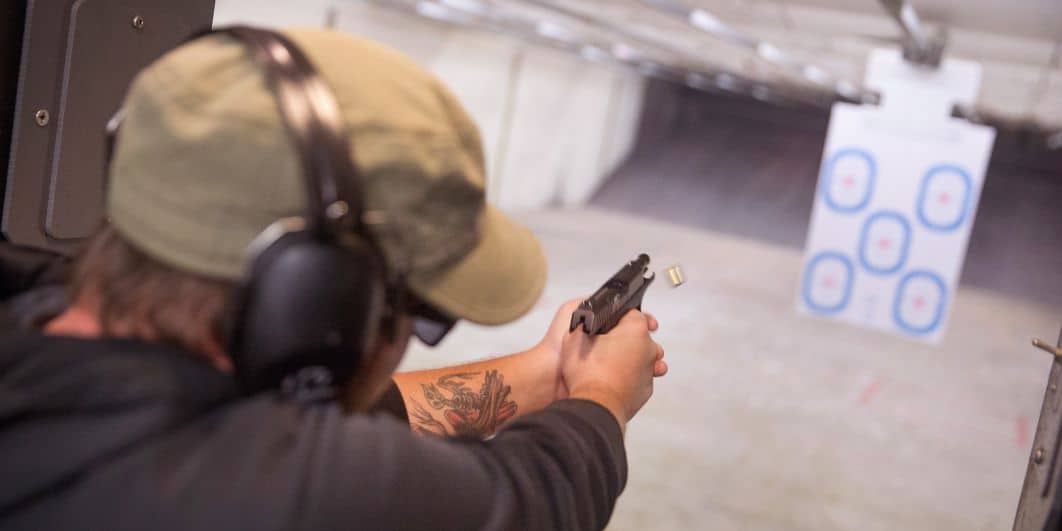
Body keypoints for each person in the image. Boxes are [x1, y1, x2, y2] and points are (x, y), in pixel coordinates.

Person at [0, 26, 667, 530]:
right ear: (313, 303)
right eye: (419, 312)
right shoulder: (236, 489)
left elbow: (324, 437)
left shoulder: (43, 317)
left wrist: (553, 371)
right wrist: (605, 395)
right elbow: (532, 501)